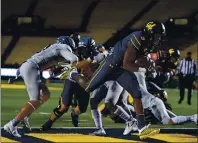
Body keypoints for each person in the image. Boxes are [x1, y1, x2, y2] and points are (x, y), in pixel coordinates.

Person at [76, 21, 166, 140]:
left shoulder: (147, 42)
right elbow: (128, 64)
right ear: (150, 33)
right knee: (88, 87)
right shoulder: (137, 38)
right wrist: (145, 70)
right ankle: (72, 73)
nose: (158, 39)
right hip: (111, 65)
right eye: (157, 36)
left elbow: (139, 57)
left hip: (121, 69)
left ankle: (141, 127)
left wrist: (149, 64)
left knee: (136, 92)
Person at [3, 36, 79, 137]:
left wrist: (16, 75)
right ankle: (12, 124)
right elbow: (74, 59)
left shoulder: (52, 49)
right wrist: (70, 66)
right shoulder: (63, 47)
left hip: (28, 67)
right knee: (35, 100)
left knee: (45, 94)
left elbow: (52, 73)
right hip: (32, 68)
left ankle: (25, 116)